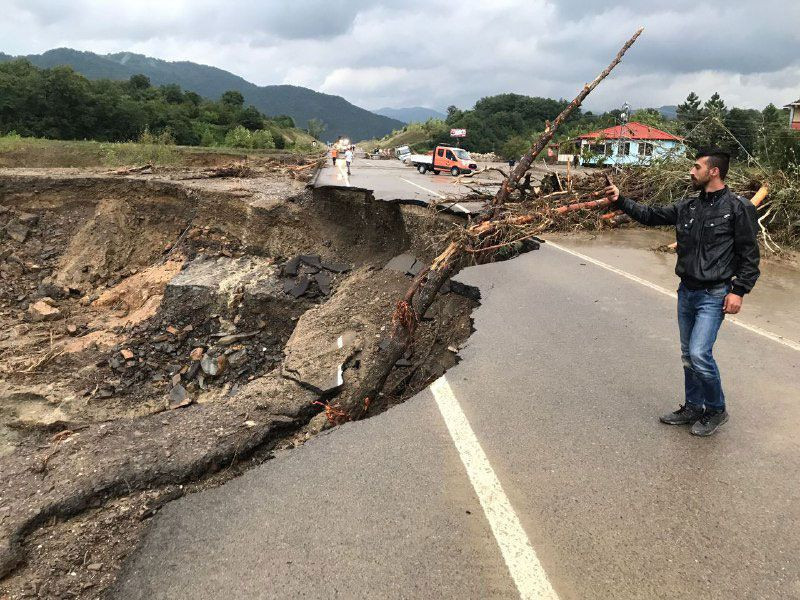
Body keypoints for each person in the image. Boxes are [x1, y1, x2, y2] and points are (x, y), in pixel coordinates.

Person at [604, 148, 760, 437]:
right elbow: (651, 215)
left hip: (714, 293)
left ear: (713, 171)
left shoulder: (738, 208)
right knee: (689, 355)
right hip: (686, 291)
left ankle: (716, 409)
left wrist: (739, 290)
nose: (691, 171)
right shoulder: (688, 206)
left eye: (696, 167)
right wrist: (621, 201)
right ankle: (692, 407)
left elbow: (750, 255)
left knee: (700, 353)